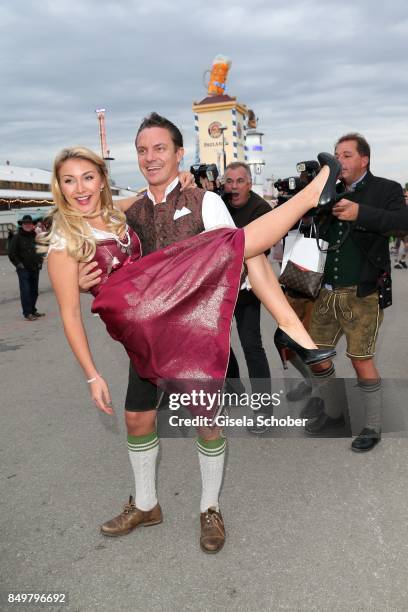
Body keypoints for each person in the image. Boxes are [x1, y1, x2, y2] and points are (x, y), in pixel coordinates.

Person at [45, 119, 338, 553]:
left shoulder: (199, 201)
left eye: (160, 148)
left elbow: (246, 259)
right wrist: (89, 283)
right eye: (143, 150)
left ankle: (209, 506)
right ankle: (146, 504)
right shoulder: (117, 215)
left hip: (192, 330)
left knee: (206, 419)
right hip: (145, 327)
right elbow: (85, 233)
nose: (150, 157)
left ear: (179, 153)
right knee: (137, 417)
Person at [303, 133, 408, 451]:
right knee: (315, 357)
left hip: (362, 292)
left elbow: (402, 221)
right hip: (325, 291)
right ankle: (335, 412)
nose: (339, 160)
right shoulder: (328, 190)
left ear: (365, 159)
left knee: (361, 360)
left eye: (346, 155)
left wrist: (359, 213)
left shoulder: (385, 189)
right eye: (336, 154)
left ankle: (372, 426)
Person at [222, 161, 272, 432]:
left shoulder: (261, 209)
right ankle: (234, 386)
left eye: (240, 181)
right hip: (220, 287)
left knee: (252, 346)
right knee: (218, 343)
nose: (234, 187)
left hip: (249, 287)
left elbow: (263, 245)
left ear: (249, 184)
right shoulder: (219, 203)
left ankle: (264, 409)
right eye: (229, 181)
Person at [8, 214, 45, 321]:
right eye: (25, 223)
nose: (27, 225)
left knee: (34, 291)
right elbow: (12, 253)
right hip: (23, 269)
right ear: (22, 225)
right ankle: (27, 313)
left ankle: (33, 310)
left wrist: (40, 262)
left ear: (32, 225)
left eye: (29, 223)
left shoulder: (35, 236)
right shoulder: (17, 237)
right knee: (26, 291)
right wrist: (19, 265)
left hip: (35, 267)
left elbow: (40, 249)